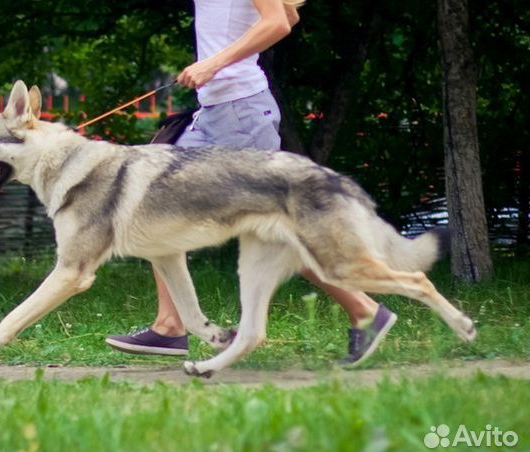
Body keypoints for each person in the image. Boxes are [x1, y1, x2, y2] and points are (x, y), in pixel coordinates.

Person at [106, 0, 397, 367]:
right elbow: (288, 13)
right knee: (152, 208)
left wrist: (214, 63)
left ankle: (365, 311)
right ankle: (170, 325)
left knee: (276, 231)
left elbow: (278, 23)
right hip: (218, 112)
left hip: (239, 115)